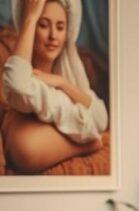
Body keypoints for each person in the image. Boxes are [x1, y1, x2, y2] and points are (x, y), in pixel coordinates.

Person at [2, 0, 108, 174]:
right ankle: (86, 145)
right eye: (43, 25)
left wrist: (62, 83)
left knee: (25, 144)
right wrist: (31, 16)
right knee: (22, 144)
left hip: (56, 94)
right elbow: (17, 86)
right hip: (24, 141)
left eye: (60, 27)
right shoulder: (26, 81)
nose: (53, 36)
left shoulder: (68, 78)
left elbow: (100, 118)